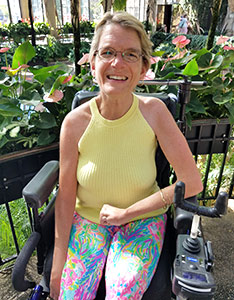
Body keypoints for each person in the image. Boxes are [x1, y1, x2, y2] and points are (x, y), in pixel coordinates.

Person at [50, 11, 203, 300]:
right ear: (93, 61)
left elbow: (192, 182)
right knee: (71, 296)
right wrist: (58, 265)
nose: (117, 63)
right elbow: (66, 195)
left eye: (130, 54)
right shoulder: (74, 123)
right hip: (89, 222)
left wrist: (126, 214)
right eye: (107, 52)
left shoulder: (154, 113)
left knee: (122, 293)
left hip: (142, 220)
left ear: (144, 67)